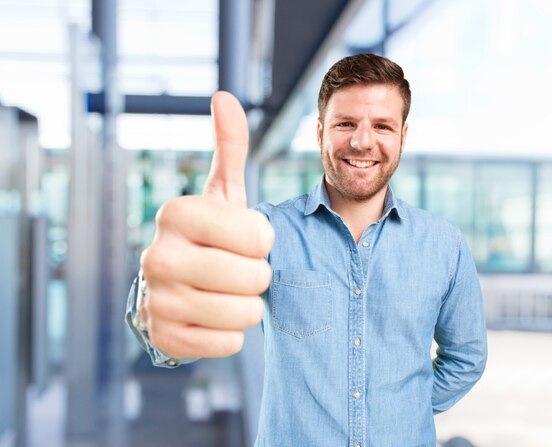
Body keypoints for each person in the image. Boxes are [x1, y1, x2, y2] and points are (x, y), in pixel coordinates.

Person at [126, 53, 487, 446]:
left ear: (403, 135)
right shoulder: (265, 231)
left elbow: (466, 358)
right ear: (319, 133)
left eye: (382, 126)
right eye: (345, 123)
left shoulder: (444, 245)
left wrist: (401, 409)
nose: (362, 141)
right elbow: (177, 318)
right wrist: (161, 301)